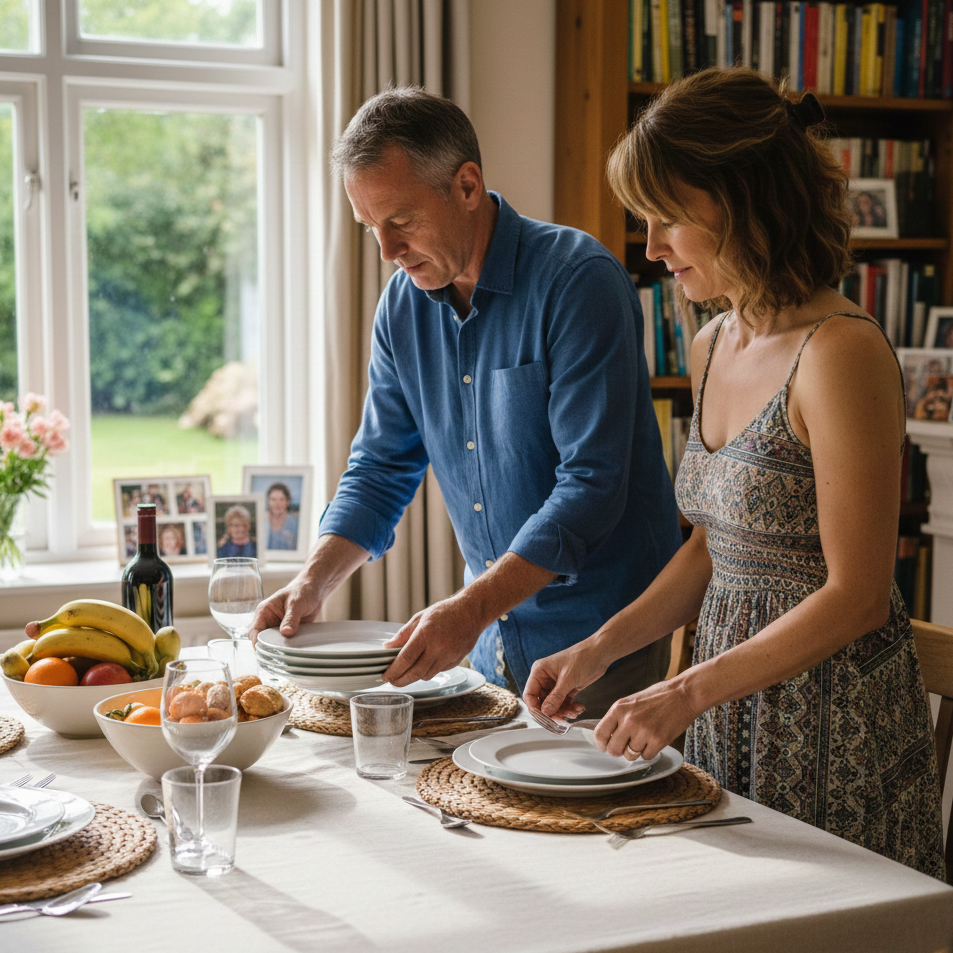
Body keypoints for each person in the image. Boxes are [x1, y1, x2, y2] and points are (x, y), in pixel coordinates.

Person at [523, 68, 944, 878]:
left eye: (666, 219)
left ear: (742, 200)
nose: (648, 248)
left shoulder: (840, 352)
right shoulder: (713, 341)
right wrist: (599, 649)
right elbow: (715, 547)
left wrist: (683, 691)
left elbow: (856, 596)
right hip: (726, 704)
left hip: (831, 725)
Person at [249, 87, 683, 715]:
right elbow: (378, 468)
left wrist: (471, 607)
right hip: (485, 646)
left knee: (596, 815)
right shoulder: (401, 308)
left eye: (400, 221)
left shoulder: (577, 282)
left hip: (599, 645)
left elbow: (591, 484)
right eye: (370, 228)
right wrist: (313, 581)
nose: (387, 254)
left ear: (468, 185)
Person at [265, 482, 299, 550]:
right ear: (268, 501)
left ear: (287, 502)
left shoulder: (296, 523)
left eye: (281, 499)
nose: (277, 504)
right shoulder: (260, 521)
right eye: (273, 499)